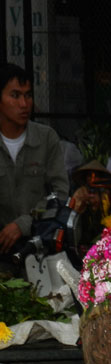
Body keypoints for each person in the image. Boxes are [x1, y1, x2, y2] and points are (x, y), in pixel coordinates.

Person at [0, 63, 68, 272]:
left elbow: (60, 193)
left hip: (40, 250)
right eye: (15, 95)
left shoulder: (46, 138)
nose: (24, 104)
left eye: (28, 96)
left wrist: (23, 224)